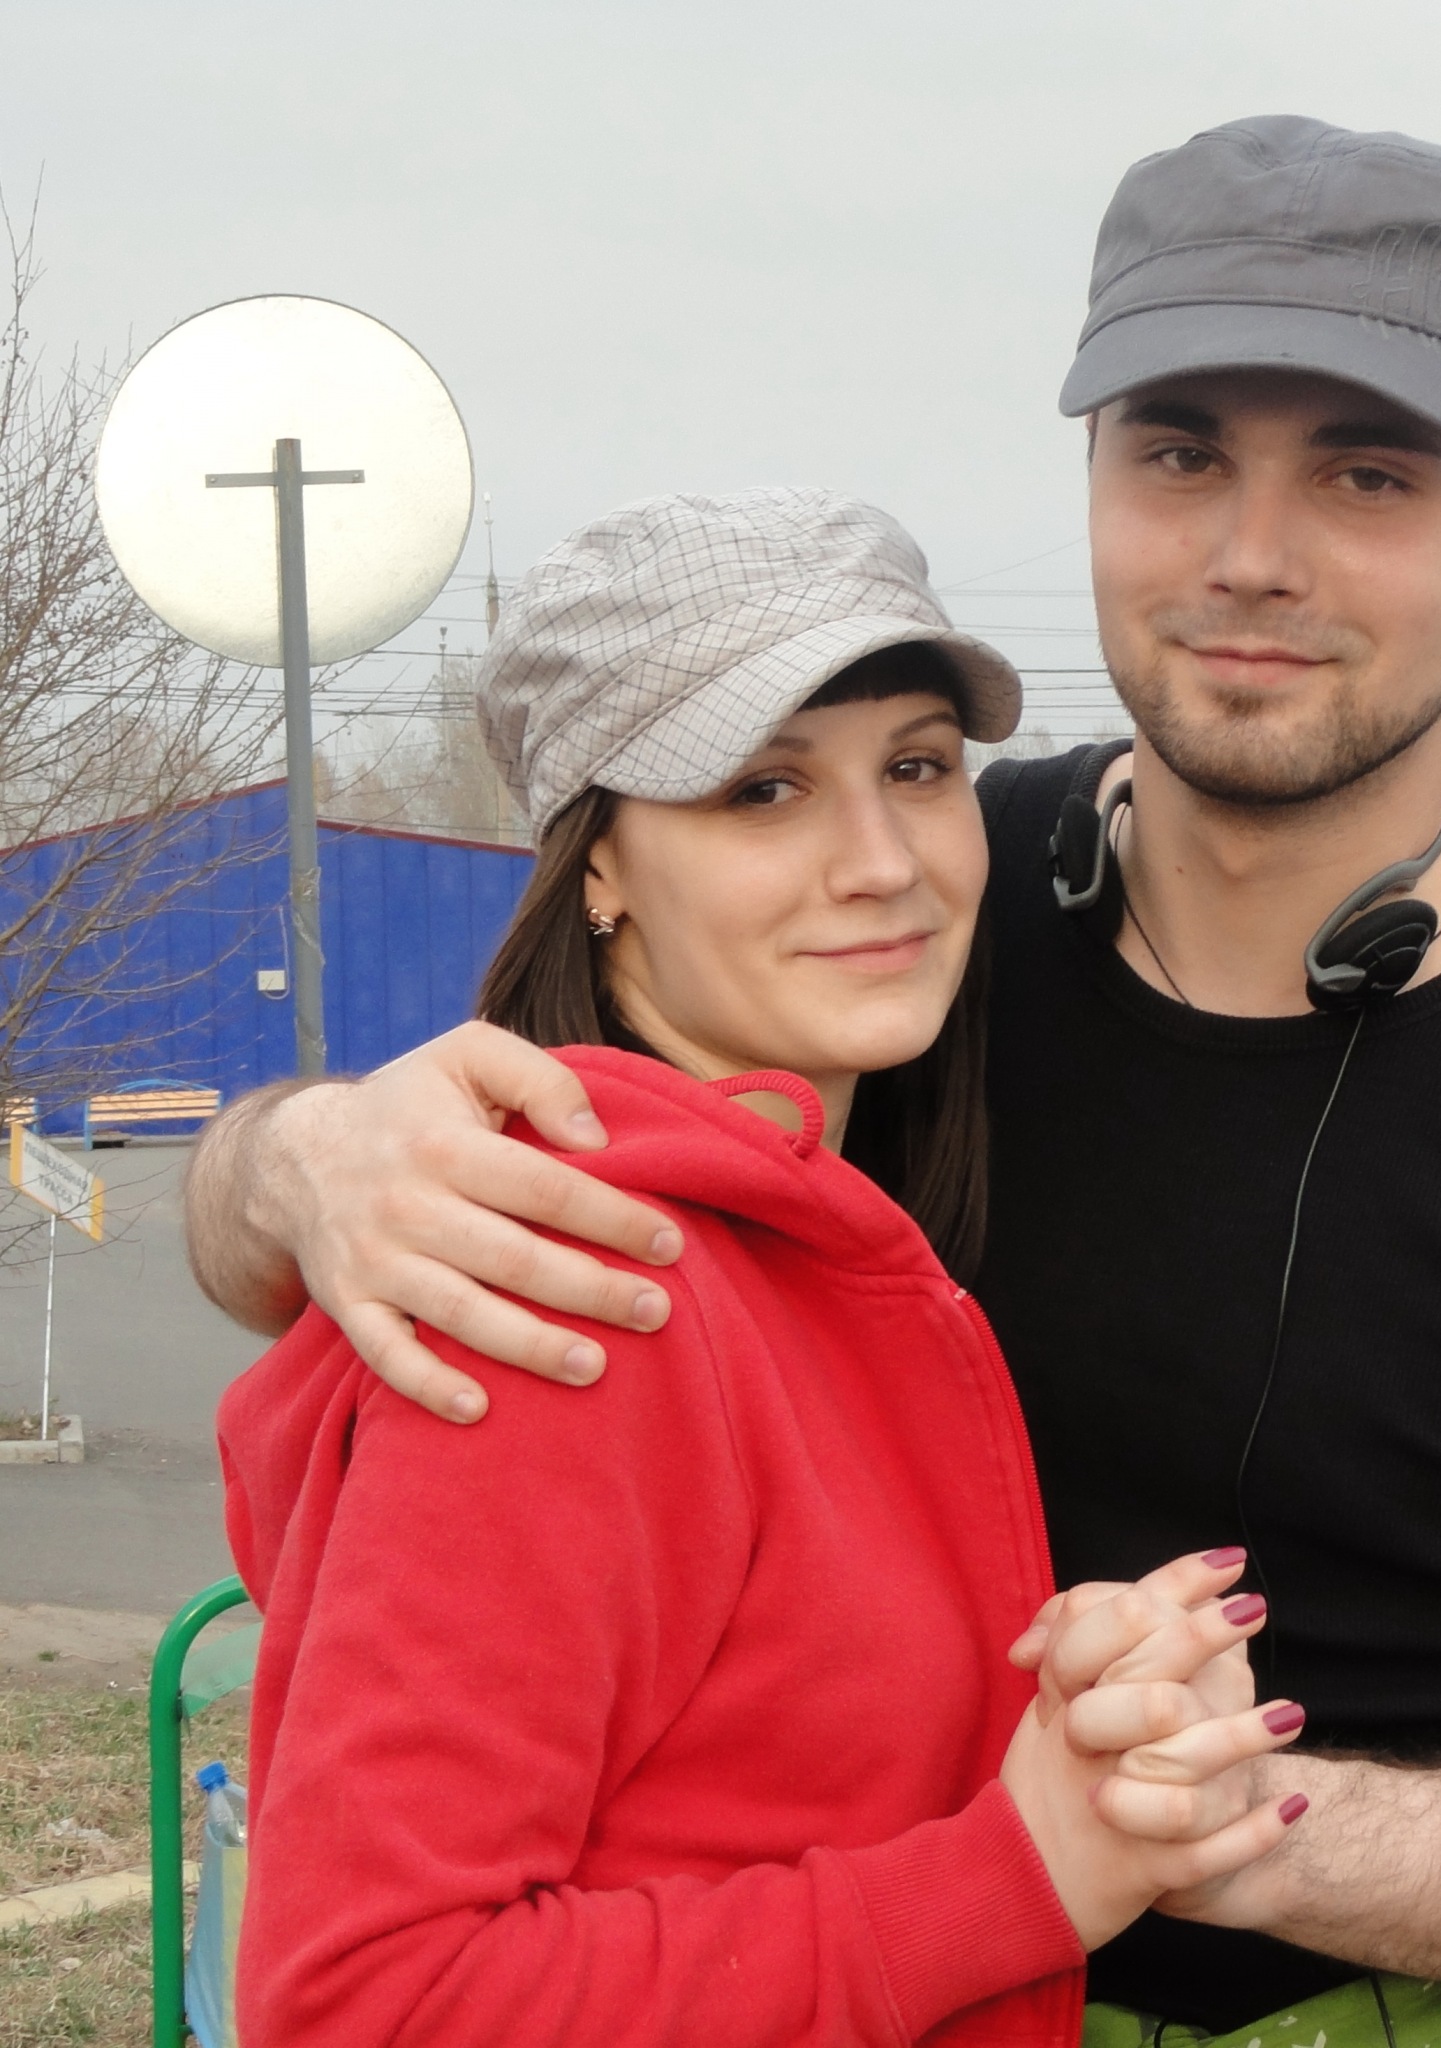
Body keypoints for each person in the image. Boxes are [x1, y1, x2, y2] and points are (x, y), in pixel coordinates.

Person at [187, 120, 1441, 2046]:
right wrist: (305, 1156)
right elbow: (440, 1247)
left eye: (1370, 473)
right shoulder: (893, 932)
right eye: (1179, 455)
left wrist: (1225, 1824)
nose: (1250, 557)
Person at [214, 491, 1317, 2048]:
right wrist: (1018, 1875)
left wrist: (1092, 1714)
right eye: (763, 790)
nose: (881, 862)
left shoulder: (824, 1238)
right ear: (599, 868)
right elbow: (369, 2006)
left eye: (917, 767)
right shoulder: (589, 1289)